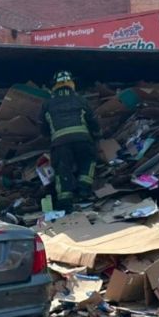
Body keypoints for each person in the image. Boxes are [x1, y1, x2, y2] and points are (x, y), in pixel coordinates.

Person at [41, 70, 100, 213]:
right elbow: (92, 121)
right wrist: (97, 133)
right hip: (82, 139)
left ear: (54, 85)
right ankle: (83, 189)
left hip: (60, 143)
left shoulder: (48, 104)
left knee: (62, 170)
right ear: (71, 83)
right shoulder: (81, 100)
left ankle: (65, 202)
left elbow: (43, 129)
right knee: (88, 160)